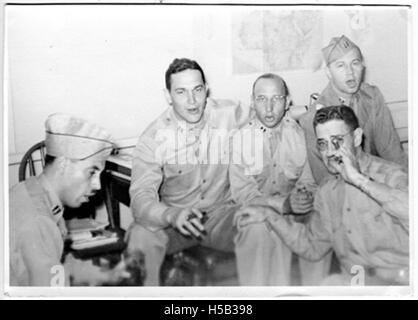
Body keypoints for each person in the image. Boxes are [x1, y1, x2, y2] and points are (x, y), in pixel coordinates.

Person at [237, 105, 409, 285]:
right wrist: (269, 215)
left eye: (337, 141)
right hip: (356, 283)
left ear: (357, 137)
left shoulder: (391, 175)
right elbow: (313, 246)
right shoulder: (328, 190)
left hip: (402, 283)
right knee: (329, 285)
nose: (329, 152)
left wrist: (359, 180)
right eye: (322, 144)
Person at [127, 58, 252, 286]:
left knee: (260, 223)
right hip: (176, 223)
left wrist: (316, 111)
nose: (192, 101)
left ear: (207, 90)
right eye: (181, 92)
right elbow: (140, 198)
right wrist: (171, 215)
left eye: (197, 90)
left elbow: (270, 110)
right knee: (140, 237)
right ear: (168, 96)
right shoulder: (153, 137)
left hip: (221, 215)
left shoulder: (228, 112)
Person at [229, 73, 330, 285]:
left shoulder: (300, 134)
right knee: (260, 230)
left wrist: (302, 199)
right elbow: (243, 194)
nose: (268, 107)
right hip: (255, 208)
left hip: (293, 209)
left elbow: (308, 182)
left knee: (321, 222)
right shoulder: (240, 139)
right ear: (252, 102)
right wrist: (280, 206)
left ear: (287, 102)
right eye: (261, 99)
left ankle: (317, 292)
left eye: (276, 99)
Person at [9, 113, 131, 286]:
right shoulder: (38, 222)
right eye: (91, 172)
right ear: (63, 164)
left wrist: (102, 273)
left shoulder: (29, 190)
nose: (97, 185)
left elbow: (54, 270)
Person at [299, 35, 408, 185]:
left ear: (362, 67)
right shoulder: (313, 117)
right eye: (340, 65)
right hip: (344, 194)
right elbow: (326, 181)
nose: (350, 72)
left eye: (355, 63)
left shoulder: (372, 97)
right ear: (328, 72)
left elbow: (392, 152)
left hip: (378, 180)